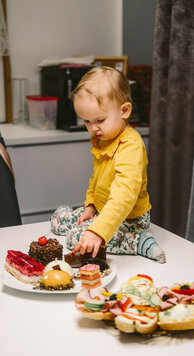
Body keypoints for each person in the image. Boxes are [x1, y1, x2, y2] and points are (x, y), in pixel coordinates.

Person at [51, 66, 165, 263]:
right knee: (59, 219)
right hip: (103, 210)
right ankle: (99, 226)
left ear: (125, 111)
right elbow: (96, 179)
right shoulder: (103, 138)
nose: (93, 128)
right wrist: (91, 205)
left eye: (100, 120)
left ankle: (138, 241)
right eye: (86, 121)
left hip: (129, 217)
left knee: (75, 239)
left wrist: (98, 232)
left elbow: (124, 195)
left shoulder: (131, 146)